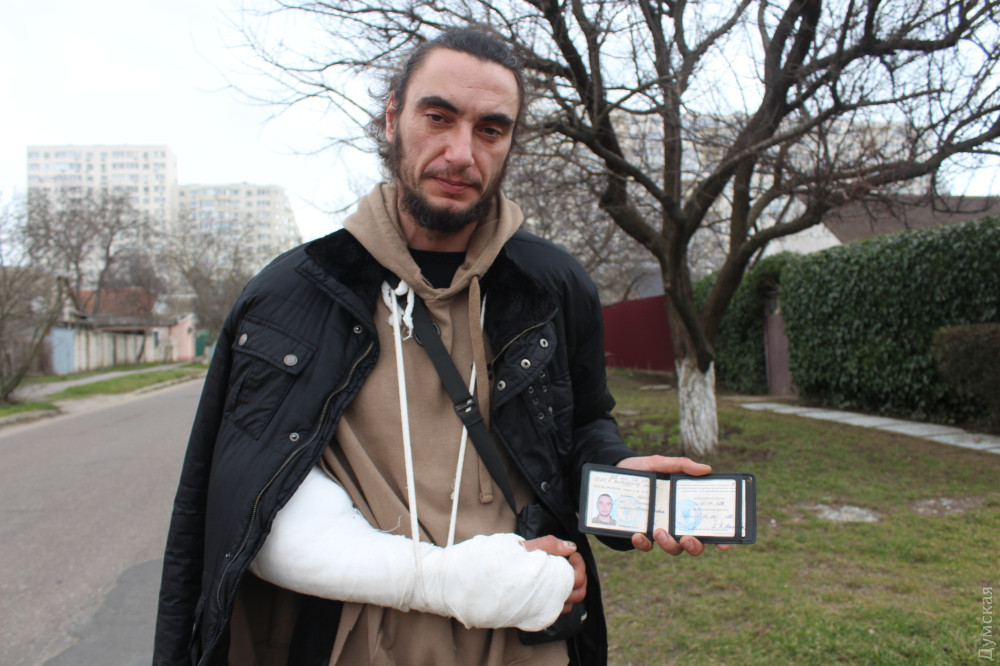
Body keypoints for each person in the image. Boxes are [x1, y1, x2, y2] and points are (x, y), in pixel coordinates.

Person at [154, 28, 721, 666]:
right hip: (348, 644)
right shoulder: (293, 294)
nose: (461, 153)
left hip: (520, 640)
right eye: (438, 117)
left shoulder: (553, 286)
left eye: (490, 130)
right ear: (392, 118)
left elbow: (584, 425)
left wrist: (617, 477)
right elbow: (233, 501)